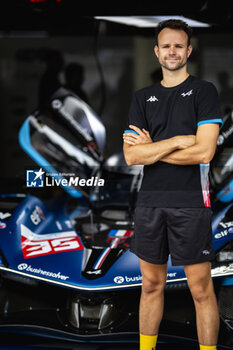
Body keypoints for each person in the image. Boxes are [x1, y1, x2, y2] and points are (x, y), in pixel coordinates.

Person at [123, 19, 222, 350]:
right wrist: (180, 140)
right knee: (150, 285)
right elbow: (131, 157)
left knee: (200, 288)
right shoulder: (142, 98)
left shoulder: (204, 92)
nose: (172, 51)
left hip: (191, 202)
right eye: (166, 45)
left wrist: (152, 150)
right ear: (156, 51)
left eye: (179, 45)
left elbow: (205, 150)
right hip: (149, 202)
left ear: (188, 50)